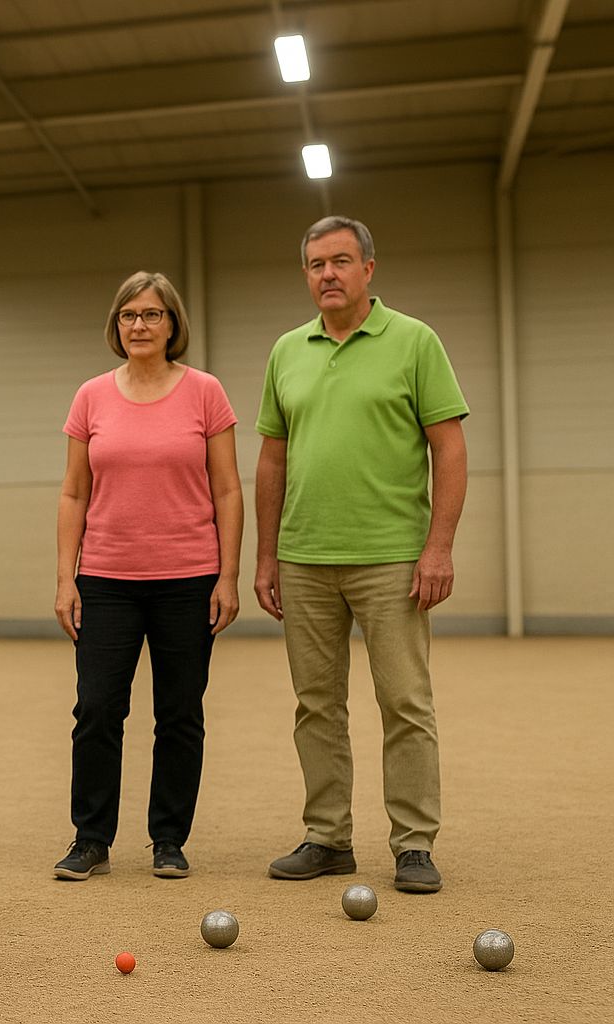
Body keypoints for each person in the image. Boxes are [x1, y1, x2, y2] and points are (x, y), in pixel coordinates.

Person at [255, 216, 468, 894]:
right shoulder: (287, 351)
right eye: (317, 263)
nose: (328, 274)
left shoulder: (414, 341)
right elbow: (271, 459)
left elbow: (449, 449)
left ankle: (414, 844)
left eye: (341, 260)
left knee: (405, 701)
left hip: (393, 560)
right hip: (304, 557)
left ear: (368, 269)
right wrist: (266, 557)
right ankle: (327, 838)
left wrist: (438, 547)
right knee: (316, 705)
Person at [52, 271, 243, 883]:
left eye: (152, 314)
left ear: (172, 323)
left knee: (180, 713)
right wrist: (66, 578)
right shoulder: (91, 397)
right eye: (129, 315)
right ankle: (91, 839)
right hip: (106, 579)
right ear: (117, 325)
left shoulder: (206, 393)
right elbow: (74, 493)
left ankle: (169, 839)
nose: (139, 324)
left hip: (189, 578)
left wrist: (229, 576)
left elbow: (228, 489)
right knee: (97, 709)